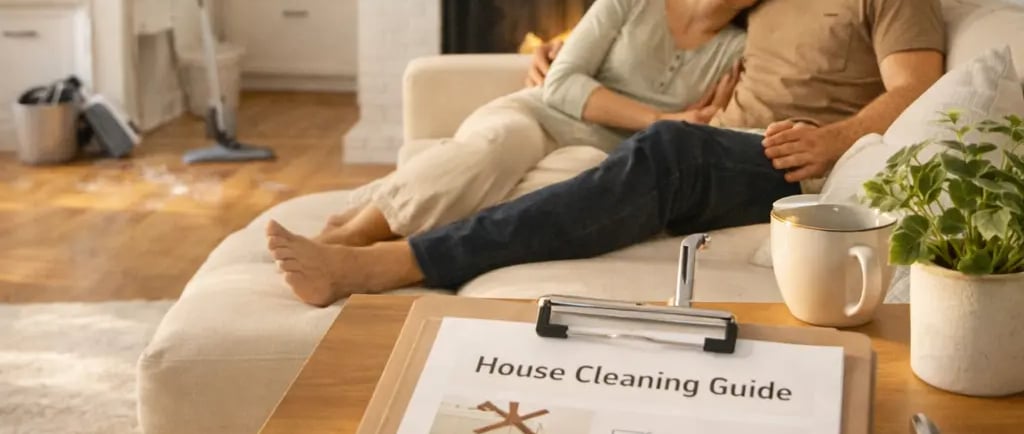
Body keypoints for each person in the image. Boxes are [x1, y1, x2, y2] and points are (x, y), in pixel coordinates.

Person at [267, 0, 948, 307]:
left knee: (668, 149)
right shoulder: (757, 8)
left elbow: (917, 87)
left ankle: (397, 263)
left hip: (790, 160)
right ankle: (372, 232)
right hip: (720, 145)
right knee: (653, 148)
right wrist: (557, 52)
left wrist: (834, 139)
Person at [316, 0, 752, 247]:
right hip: (536, 115)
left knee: (568, 183)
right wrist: (662, 119)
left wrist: (680, 126)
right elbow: (559, 84)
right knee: (499, 145)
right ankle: (355, 235)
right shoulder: (631, 2)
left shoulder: (740, 50)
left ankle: (402, 227)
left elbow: (704, 129)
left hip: (604, 154)